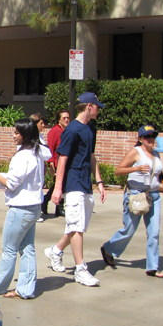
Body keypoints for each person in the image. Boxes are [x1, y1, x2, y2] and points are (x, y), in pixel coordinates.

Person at [0, 119, 50, 299]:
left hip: (19, 209)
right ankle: (25, 289)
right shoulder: (37, 153)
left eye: (17, 133)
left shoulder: (23, 156)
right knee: (27, 248)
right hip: (34, 207)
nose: (13, 136)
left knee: (9, 248)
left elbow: (11, 183)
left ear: (25, 135)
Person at [45, 92, 107, 286]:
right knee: (76, 226)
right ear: (89, 106)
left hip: (85, 183)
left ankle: (55, 251)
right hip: (73, 184)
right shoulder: (71, 130)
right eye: (97, 106)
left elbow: (91, 155)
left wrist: (99, 181)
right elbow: (62, 158)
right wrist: (57, 188)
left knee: (77, 225)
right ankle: (80, 269)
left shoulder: (91, 129)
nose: (99, 109)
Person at [100, 125, 163, 277]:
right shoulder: (135, 153)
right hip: (136, 195)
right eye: (147, 136)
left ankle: (152, 267)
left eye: (153, 136)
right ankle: (109, 248)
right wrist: (136, 169)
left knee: (154, 232)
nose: (151, 139)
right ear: (140, 139)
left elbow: (159, 178)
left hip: (153, 196)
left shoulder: (156, 154)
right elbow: (118, 171)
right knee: (129, 229)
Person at [42, 109, 69, 218]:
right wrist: (51, 165)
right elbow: (51, 149)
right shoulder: (54, 131)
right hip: (57, 164)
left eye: (68, 117)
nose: (67, 120)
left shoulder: (65, 131)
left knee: (60, 185)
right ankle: (52, 204)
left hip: (65, 164)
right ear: (59, 120)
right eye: (64, 118)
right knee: (58, 185)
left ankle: (54, 206)